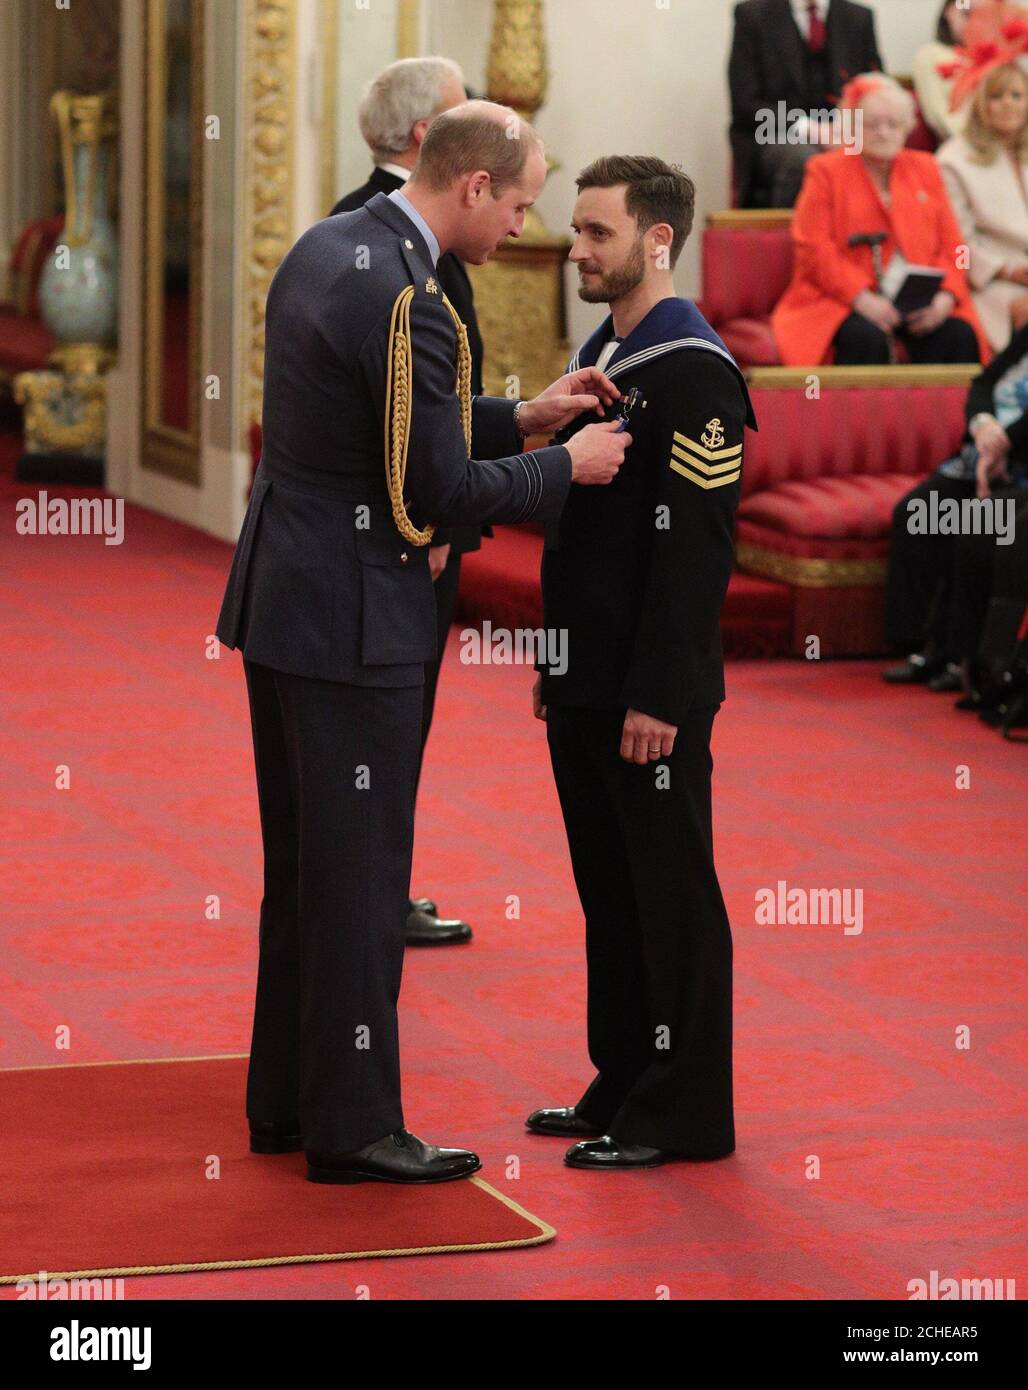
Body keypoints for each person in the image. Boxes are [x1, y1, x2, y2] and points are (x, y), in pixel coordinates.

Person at [215, 102, 631, 1185]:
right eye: (523, 203)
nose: (523, 227)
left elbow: (384, 425)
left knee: (303, 870)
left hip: (284, 599)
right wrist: (565, 466)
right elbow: (428, 491)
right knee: (360, 882)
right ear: (472, 186)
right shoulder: (413, 297)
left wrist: (527, 416)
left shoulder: (331, 241)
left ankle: (287, 1101)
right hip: (357, 617)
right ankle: (352, 1127)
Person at [525, 156, 758, 1170]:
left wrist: (658, 691)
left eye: (595, 233)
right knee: (607, 889)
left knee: (668, 895)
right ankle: (623, 1076)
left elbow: (693, 551)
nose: (575, 249)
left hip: (647, 692)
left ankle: (685, 1110)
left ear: (655, 241)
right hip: (586, 676)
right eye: (575, 229)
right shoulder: (605, 347)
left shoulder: (695, 370)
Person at [331, 56, 481, 947]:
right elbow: (408, 412)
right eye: (468, 116)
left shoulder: (361, 219)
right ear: (429, 136)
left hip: (406, 520)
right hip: (401, 531)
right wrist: (434, 526)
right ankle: (375, 900)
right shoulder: (395, 237)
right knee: (387, 729)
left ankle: (385, 888)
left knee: (399, 728)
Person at [771, 74, 989, 367]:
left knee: (958, 334)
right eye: (871, 124)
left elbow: (955, 247)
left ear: (907, 128)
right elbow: (813, 249)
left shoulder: (926, 167)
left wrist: (946, 297)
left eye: (893, 124)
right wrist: (862, 299)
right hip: (841, 301)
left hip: (920, 302)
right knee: (865, 338)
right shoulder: (825, 171)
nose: (883, 133)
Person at [883, 321, 1028, 690]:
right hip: (979, 457)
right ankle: (918, 644)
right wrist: (982, 426)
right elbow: (982, 384)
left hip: (1018, 469)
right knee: (916, 515)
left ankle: (958, 655)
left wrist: (1003, 443)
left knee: (976, 527)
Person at [728, 0, 882, 208]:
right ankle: (802, 238)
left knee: (880, 152)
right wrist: (809, 129)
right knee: (806, 161)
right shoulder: (753, 15)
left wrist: (844, 126)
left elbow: (873, 89)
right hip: (774, 132)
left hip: (843, 130)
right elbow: (745, 103)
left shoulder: (858, 17)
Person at [937, 60, 1028, 353]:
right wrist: (1007, 270)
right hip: (992, 280)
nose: (1007, 105)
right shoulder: (954, 160)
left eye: (1017, 96)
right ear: (979, 104)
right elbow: (959, 242)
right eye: (996, 97)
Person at [912, 0, 984, 142]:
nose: (974, 22)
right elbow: (938, 115)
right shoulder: (930, 55)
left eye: (981, 17)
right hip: (963, 146)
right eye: (966, 14)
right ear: (948, 12)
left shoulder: (996, 56)